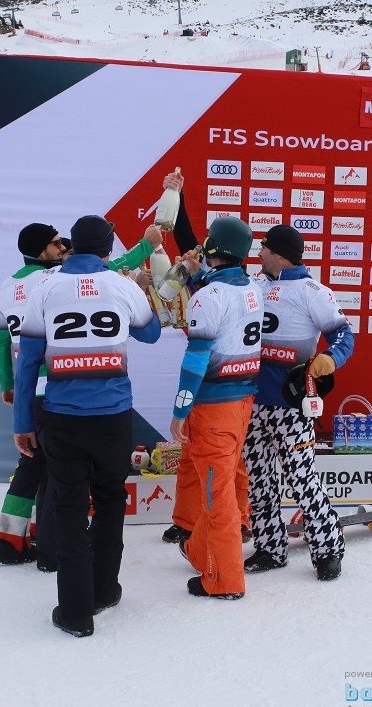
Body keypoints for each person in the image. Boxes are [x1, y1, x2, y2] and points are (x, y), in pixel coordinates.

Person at [13, 214, 162, 638]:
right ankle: (104, 590)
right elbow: (150, 336)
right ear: (109, 248)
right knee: (113, 498)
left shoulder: (45, 287)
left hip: (62, 416)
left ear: (72, 246)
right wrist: (144, 293)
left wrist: (23, 421)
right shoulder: (122, 285)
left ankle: (76, 612)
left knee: (70, 506)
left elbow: (27, 362)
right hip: (113, 416)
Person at [243, 224, 355, 581]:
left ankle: (328, 549)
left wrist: (332, 358)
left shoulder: (312, 291)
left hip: (292, 403)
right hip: (251, 400)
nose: (258, 253)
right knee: (260, 480)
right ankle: (269, 548)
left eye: (263, 248)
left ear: (278, 253)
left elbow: (343, 333)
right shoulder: (255, 285)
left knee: (302, 479)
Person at [159, 171, 253, 546]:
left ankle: (236, 525)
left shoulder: (218, 292)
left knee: (227, 464)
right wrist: (177, 197)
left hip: (218, 392)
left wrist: (179, 408)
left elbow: (196, 358)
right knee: (194, 457)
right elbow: (190, 244)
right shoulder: (236, 282)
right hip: (223, 392)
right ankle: (186, 520)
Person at [173, 216, 263, 600]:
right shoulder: (253, 288)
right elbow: (221, 304)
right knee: (222, 484)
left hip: (212, 410)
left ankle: (224, 580)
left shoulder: (208, 297)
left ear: (212, 248)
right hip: (241, 403)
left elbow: (195, 362)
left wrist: (179, 411)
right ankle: (198, 552)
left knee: (217, 496)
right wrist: (196, 277)